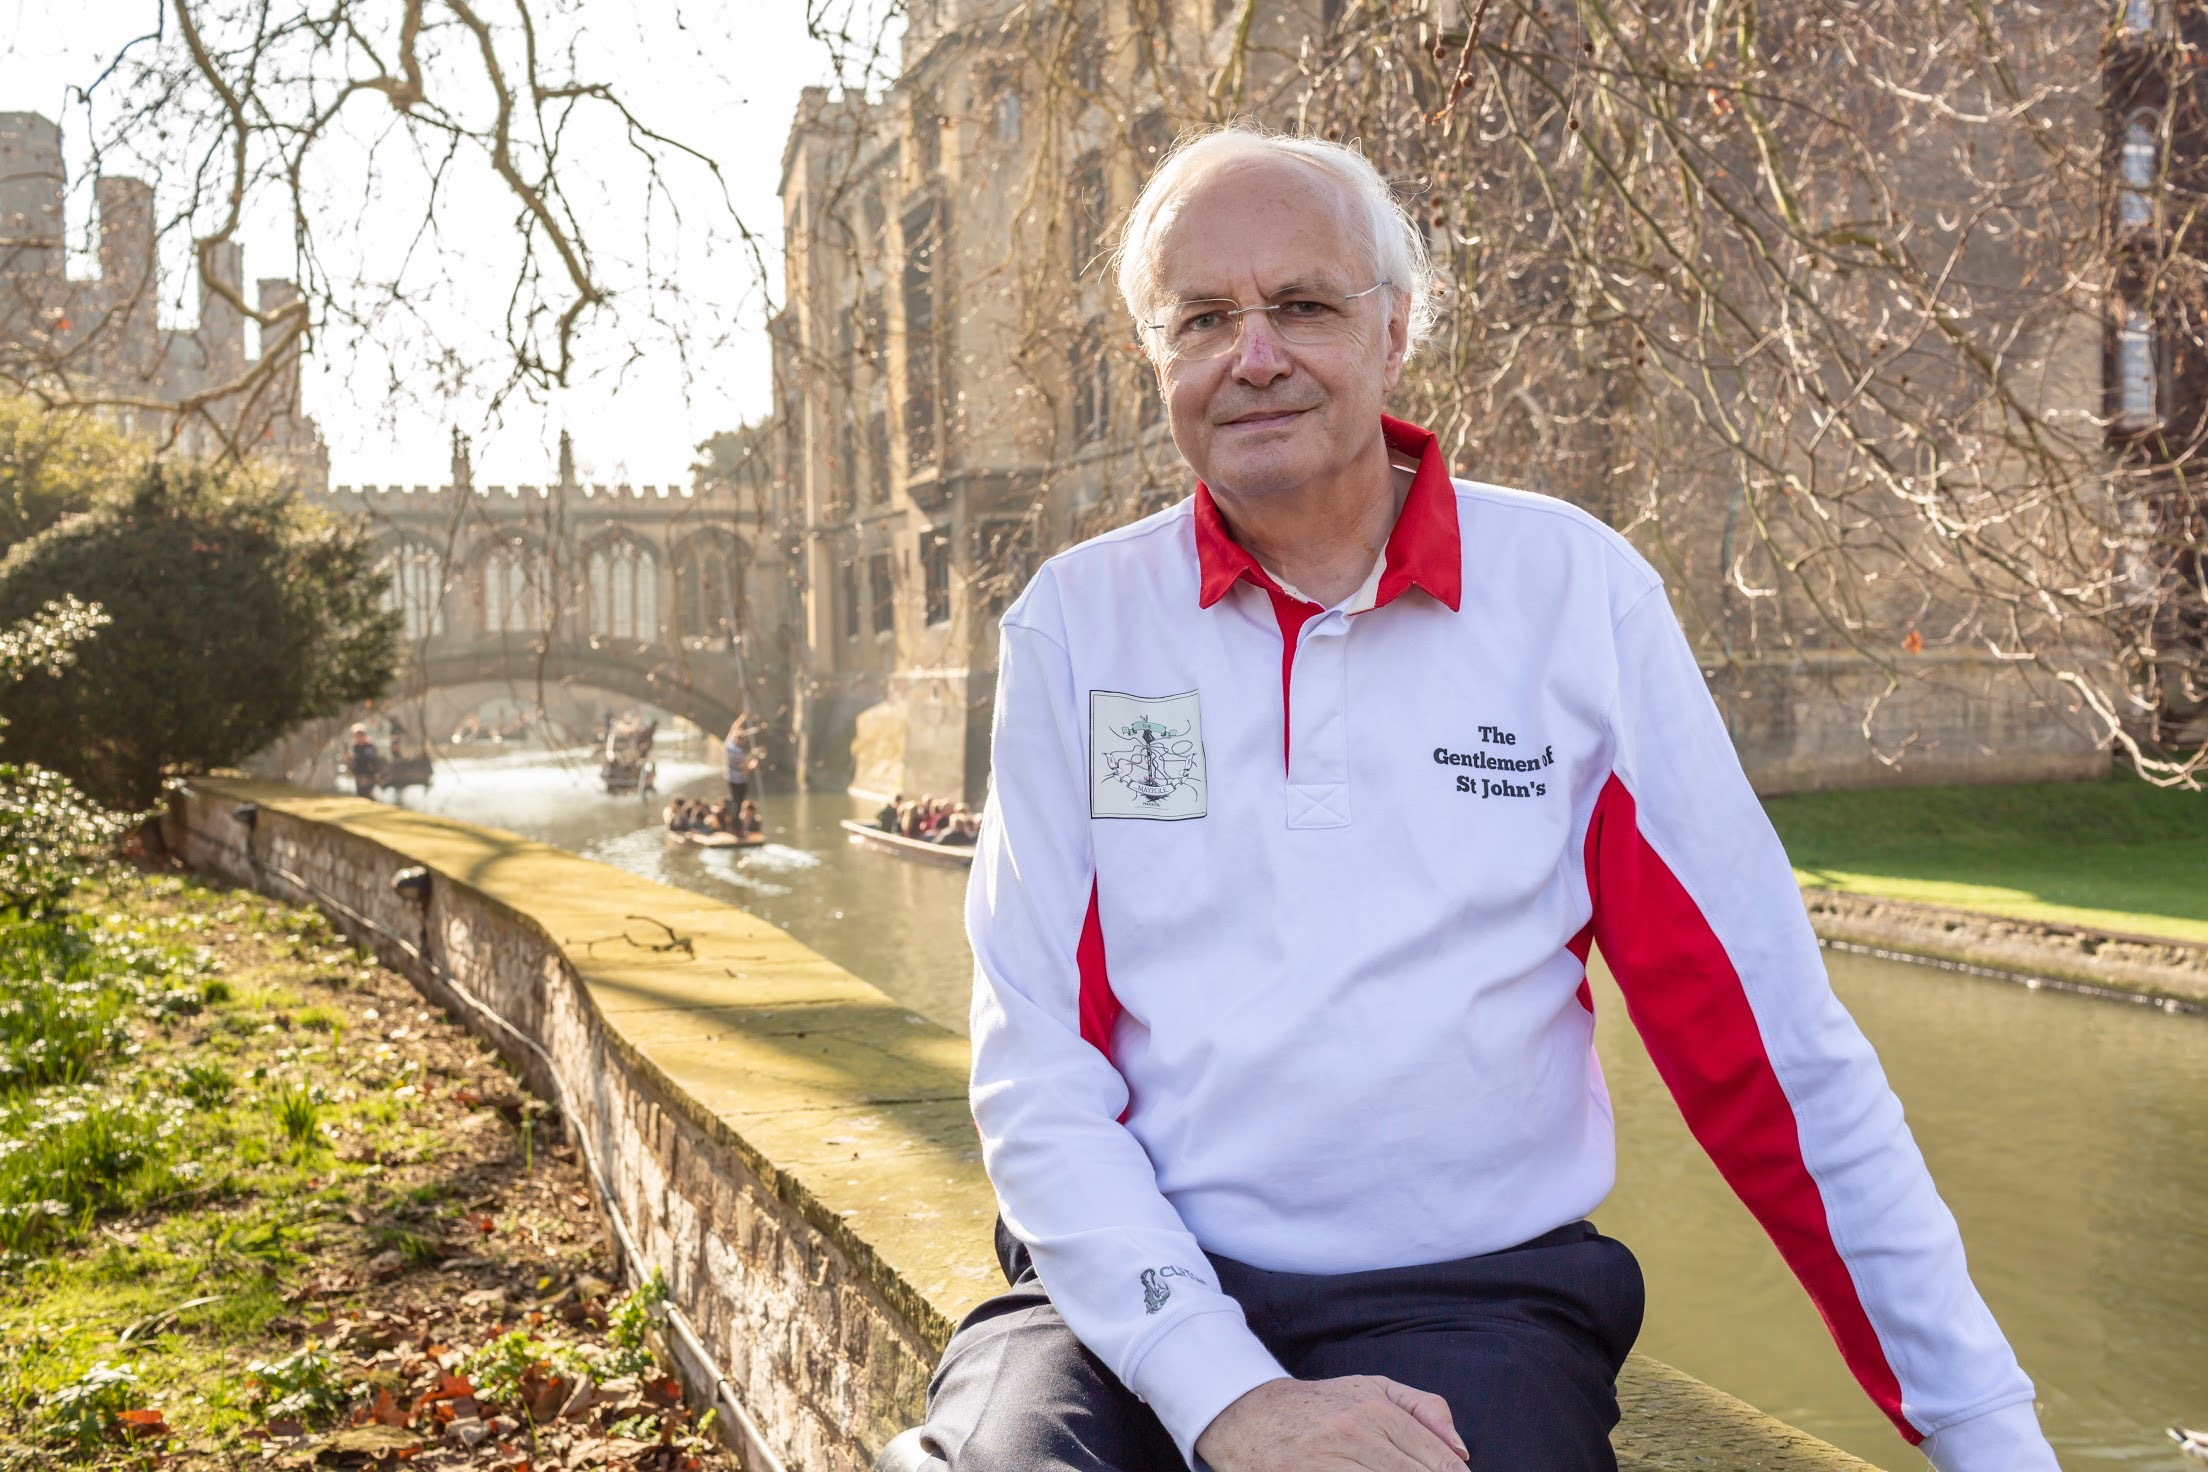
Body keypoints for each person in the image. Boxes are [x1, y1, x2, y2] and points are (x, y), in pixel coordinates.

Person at [928, 126, 2059, 1472]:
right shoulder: (1076, 626)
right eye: (1203, 319)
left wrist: (1984, 1430)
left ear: (1396, 329)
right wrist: (1225, 1389)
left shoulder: (1574, 601)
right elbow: (1036, 1072)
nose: (1255, 355)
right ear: (1155, 360)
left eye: (1302, 305)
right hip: (1130, 1286)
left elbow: (1768, 1049)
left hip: (1471, 1297)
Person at [724, 716, 760, 804]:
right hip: (739, 780)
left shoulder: (728, 744)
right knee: (738, 802)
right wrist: (755, 762)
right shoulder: (738, 753)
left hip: (731, 777)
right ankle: (735, 817)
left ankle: (734, 814)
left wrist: (744, 716)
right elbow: (744, 768)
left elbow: (734, 727)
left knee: (735, 799)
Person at [346, 724, 380, 799]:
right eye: (356, 735)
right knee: (361, 793)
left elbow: (374, 760)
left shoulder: (370, 746)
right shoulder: (355, 746)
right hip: (358, 773)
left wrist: (375, 772)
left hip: (368, 774)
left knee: (368, 793)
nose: (358, 737)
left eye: (360, 735)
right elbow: (354, 760)